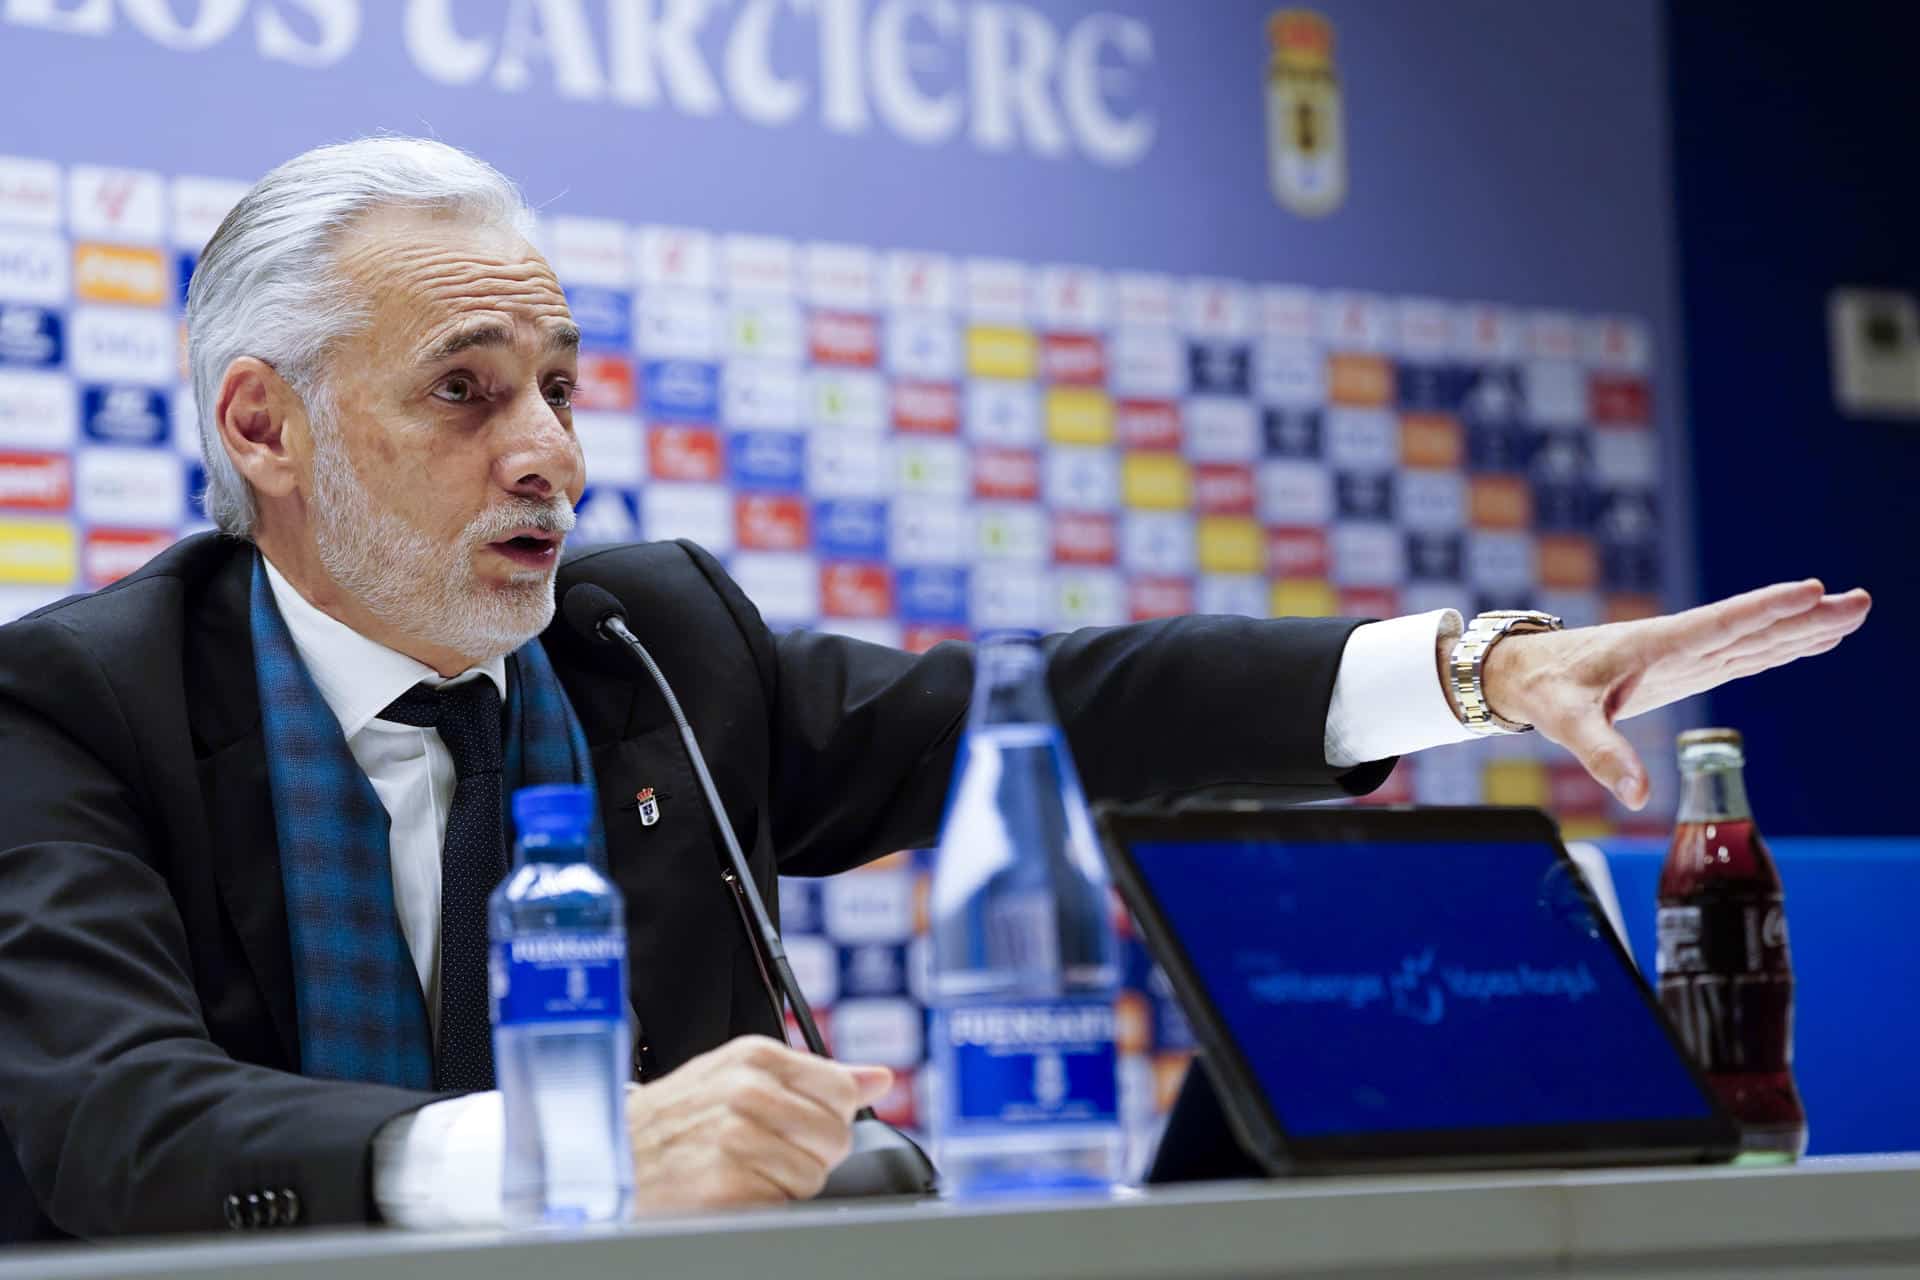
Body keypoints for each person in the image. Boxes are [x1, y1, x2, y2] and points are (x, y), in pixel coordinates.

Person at [0, 138, 1869, 1243]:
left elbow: (1045, 709)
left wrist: (1477, 665)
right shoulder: (77, 707)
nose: (552, 452)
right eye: (471, 391)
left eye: (564, 385)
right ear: (266, 426)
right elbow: (111, 1119)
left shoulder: (641, 645)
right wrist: (582, 1150)